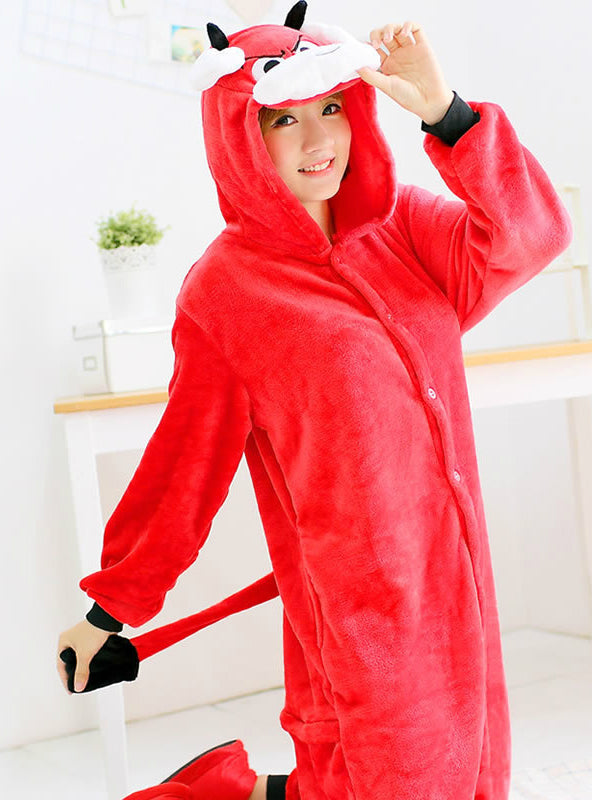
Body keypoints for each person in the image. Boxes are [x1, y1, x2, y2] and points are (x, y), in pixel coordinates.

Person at [57, 4, 572, 800]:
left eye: (330, 107)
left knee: (470, 774)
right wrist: (109, 611)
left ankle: (230, 788)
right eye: (284, 120)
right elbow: (183, 471)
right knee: (388, 779)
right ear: (239, 136)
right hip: (359, 615)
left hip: (459, 584)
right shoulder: (226, 293)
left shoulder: (404, 227)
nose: (318, 140)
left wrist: (447, 114)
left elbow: (532, 237)